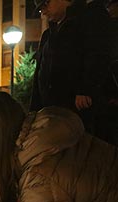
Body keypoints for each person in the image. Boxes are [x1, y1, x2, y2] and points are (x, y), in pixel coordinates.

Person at [31, 0, 113, 143]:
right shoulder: (49, 35)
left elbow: (97, 54)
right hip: (53, 113)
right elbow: (39, 75)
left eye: (46, 4)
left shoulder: (87, 21)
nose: (43, 11)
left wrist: (85, 89)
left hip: (77, 111)